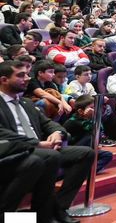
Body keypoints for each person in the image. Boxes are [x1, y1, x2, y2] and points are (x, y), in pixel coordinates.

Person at [0, 60, 94, 223]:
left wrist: (57, 133)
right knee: (47, 157)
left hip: (40, 150)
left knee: (85, 153)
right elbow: (3, 134)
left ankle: (58, 208)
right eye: (20, 75)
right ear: (4, 80)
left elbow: (49, 124)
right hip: (11, 152)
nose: (27, 79)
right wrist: (36, 144)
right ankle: (34, 216)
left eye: (27, 75)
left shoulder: (27, 102)